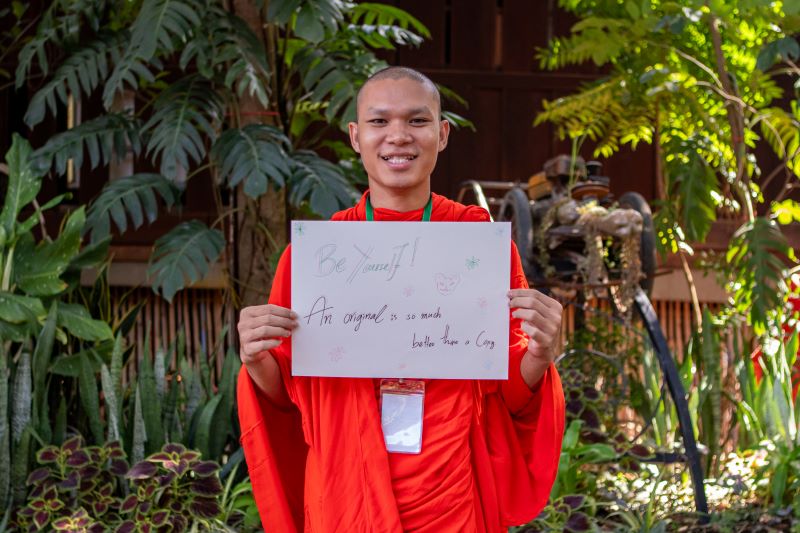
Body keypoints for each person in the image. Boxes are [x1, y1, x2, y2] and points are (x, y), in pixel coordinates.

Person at [236, 66, 566, 532]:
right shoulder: (316, 255)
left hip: (450, 485)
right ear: (355, 136)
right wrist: (254, 358)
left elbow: (510, 386)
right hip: (346, 488)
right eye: (378, 122)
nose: (398, 137)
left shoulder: (477, 243)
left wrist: (541, 351)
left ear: (442, 133)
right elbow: (286, 393)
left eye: (417, 121)